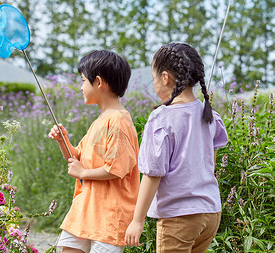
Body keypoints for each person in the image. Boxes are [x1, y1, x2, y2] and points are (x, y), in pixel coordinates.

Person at [125, 43, 228, 253]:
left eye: (153, 79)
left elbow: (152, 174)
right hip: (210, 214)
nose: (154, 85)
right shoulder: (209, 115)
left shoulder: (161, 118)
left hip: (179, 217)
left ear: (165, 78)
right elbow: (211, 164)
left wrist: (137, 219)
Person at [48, 50, 140, 253]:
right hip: (84, 211)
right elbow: (76, 159)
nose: (81, 87)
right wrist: (62, 140)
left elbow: (116, 169)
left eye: (83, 81)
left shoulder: (118, 121)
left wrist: (83, 173)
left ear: (98, 82)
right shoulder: (100, 121)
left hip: (109, 216)